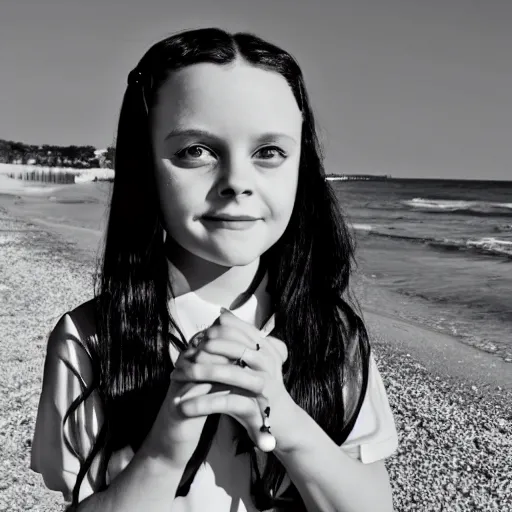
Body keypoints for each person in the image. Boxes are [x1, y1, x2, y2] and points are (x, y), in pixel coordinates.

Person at [30, 27, 398, 512]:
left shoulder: (333, 333)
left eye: (269, 152)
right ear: (145, 163)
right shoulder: (91, 338)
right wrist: (167, 446)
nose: (237, 182)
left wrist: (282, 419)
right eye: (196, 151)